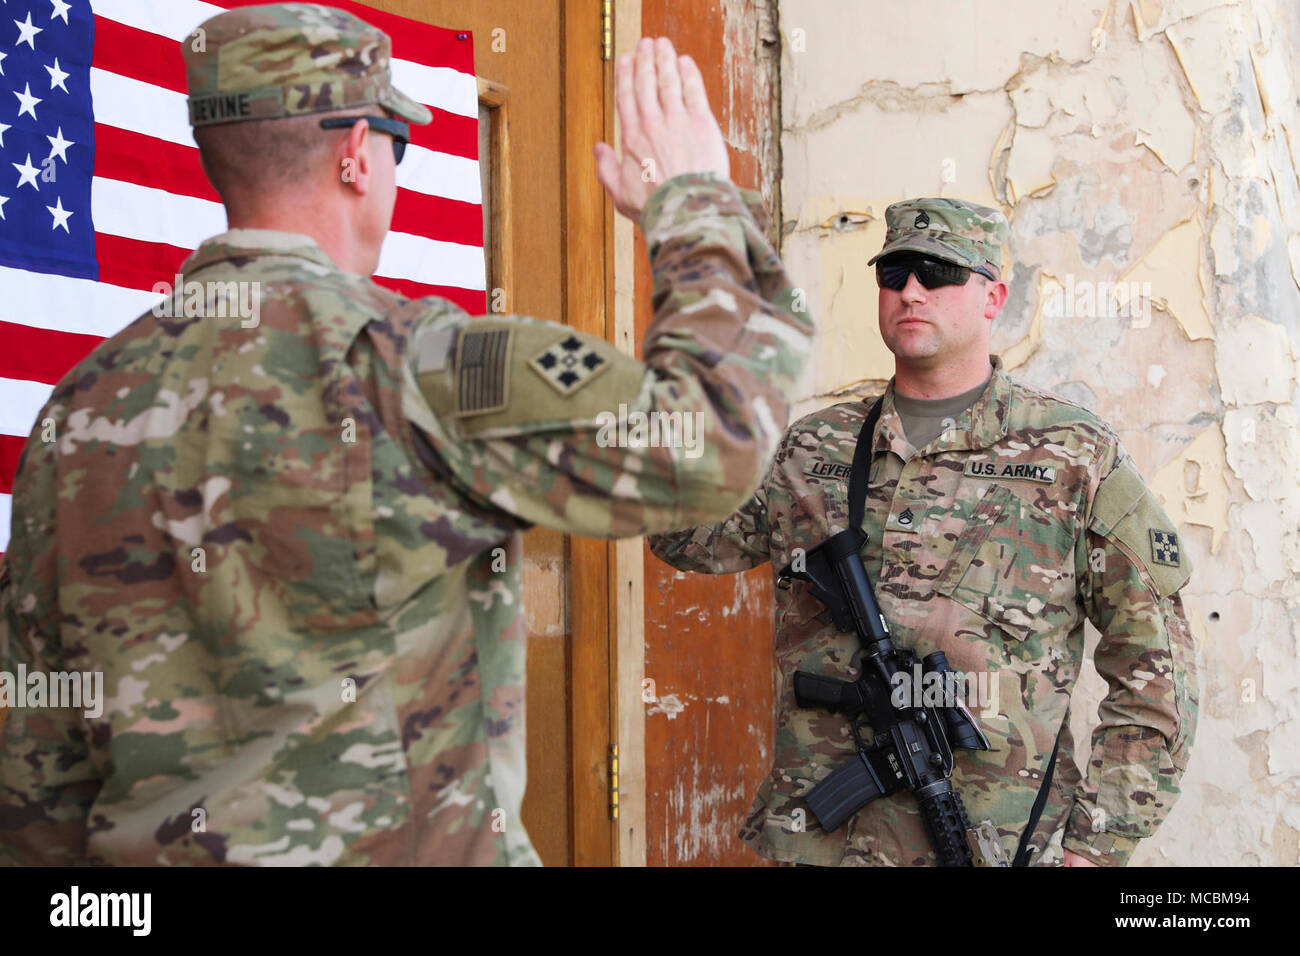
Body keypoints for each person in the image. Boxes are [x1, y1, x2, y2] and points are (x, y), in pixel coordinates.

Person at [0, 4, 813, 866]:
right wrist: (698, 210)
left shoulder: (79, 410)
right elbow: (712, 442)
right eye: (399, 144)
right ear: (357, 152)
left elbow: (37, 772)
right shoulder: (420, 365)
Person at [649, 198, 1199, 867]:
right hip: (823, 847)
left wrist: (1094, 847)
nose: (911, 290)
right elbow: (688, 539)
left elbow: (1155, 673)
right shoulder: (813, 447)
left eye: (937, 272)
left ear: (993, 295)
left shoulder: (1073, 457)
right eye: (895, 273)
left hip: (996, 847)